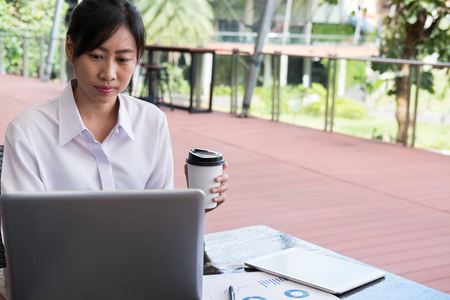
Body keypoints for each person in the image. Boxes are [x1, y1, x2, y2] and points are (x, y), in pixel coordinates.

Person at [1, 0, 228, 201]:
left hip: (139, 251)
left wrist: (197, 204)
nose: (109, 73)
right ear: (70, 49)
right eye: (96, 56)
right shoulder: (27, 131)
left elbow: (157, 218)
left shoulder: (152, 122)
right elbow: (23, 231)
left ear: (137, 57)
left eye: (123, 59)